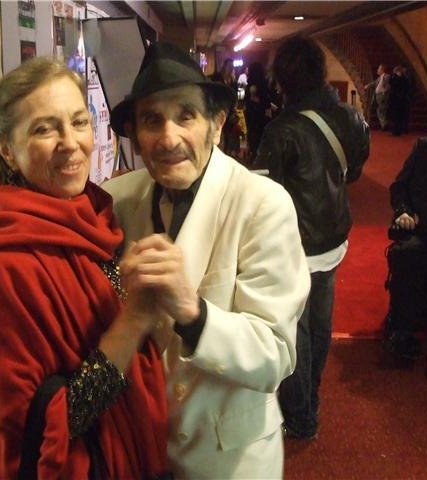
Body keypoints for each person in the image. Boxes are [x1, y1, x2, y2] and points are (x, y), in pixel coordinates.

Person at [0, 57, 169, 479]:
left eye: (79, 122)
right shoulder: (2, 263)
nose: (71, 142)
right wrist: (134, 319)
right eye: (44, 129)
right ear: (7, 148)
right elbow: (47, 427)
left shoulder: (91, 215)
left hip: (129, 447)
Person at [104, 41, 310, 479]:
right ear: (136, 136)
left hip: (228, 457)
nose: (169, 138)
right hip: (141, 451)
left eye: (186, 115)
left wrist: (194, 314)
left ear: (216, 124)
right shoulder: (117, 201)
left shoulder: (263, 205)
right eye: (151, 120)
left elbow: (276, 355)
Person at [254, 36, 370, 440]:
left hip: (294, 247)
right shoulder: (350, 117)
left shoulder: (281, 129)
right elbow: (353, 170)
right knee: (320, 323)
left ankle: (301, 415)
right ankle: (312, 397)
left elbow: (264, 194)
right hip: (334, 236)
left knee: (294, 332)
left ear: (283, 80)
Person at [382, 103, 427, 366]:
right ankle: (402, 331)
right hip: (423, 231)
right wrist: (403, 211)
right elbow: (399, 187)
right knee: (406, 255)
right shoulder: (425, 148)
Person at [387, 65, 410, 136]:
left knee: (395, 117)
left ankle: (395, 131)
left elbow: (390, 82)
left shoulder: (395, 78)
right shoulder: (405, 79)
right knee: (399, 117)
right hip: (402, 100)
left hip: (395, 100)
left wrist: (393, 75)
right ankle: (399, 131)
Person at [366, 63, 390, 130]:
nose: (377, 70)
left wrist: (384, 92)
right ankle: (384, 124)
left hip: (382, 95)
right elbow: (374, 83)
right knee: (379, 110)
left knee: (381, 110)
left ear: (382, 70)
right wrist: (367, 86)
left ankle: (384, 124)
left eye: (379, 69)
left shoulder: (387, 76)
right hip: (377, 96)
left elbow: (388, 85)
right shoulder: (379, 78)